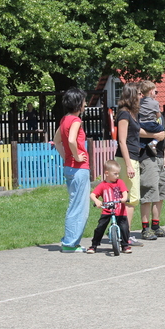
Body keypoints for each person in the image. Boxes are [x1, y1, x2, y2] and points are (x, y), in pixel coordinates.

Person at [52, 88, 90, 253]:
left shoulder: (64, 119)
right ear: (78, 103)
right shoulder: (75, 120)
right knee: (79, 207)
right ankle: (70, 243)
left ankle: (71, 242)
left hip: (70, 167)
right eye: (84, 101)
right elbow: (72, 140)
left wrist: (67, 157)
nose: (85, 104)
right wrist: (76, 156)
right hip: (79, 168)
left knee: (75, 204)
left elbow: (56, 141)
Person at [114, 83, 144, 246]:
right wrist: (129, 165)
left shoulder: (133, 114)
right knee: (131, 198)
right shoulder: (124, 114)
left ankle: (122, 233)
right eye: (138, 94)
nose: (141, 96)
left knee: (130, 198)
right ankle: (125, 235)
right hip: (127, 159)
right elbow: (121, 140)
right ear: (132, 95)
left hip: (133, 158)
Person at [139, 102, 165, 240]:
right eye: (154, 92)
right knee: (149, 192)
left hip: (160, 157)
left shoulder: (160, 118)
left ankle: (156, 226)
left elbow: (163, 138)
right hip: (147, 157)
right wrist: (155, 135)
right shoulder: (141, 115)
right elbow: (135, 131)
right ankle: (145, 228)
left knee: (162, 191)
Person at [87, 160, 131, 254]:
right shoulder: (102, 185)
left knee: (124, 228)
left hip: (120, 210)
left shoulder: (120, 182)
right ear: (107, 173)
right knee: (100, 228)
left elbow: (124, 192)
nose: (117, 176)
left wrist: (124, 198)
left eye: (118, 174)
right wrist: (97, 201)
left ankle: (125, 245)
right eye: (115, 174)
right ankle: (94, 245)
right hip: (107, 210)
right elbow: (92, 195)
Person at [138, 81, 165, 156]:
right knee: (162, 129)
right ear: (151, 91)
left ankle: (138, 151)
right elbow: (158, 115)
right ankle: (154, 143)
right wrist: (158, 115)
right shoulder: (155, 103)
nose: (156, 94)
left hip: (141, 123)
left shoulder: (139, 102)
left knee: (142, 139)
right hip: (151, 123)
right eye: (155, 92)